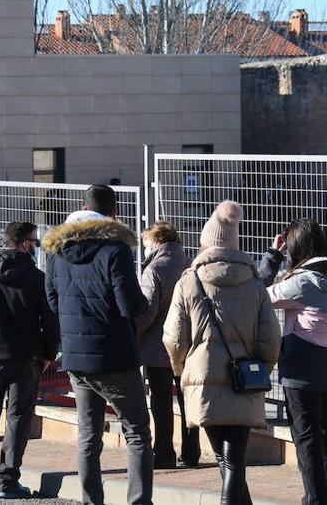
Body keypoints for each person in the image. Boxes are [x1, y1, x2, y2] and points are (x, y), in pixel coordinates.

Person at [164, 201, 281, 505]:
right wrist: (260, 368)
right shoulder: (255, 283)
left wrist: (182, 369)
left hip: (202, 376)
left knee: (223, 457)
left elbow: (174, 338)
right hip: (244, 377)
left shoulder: (189, 281)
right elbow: (271, 339)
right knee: (234, 459)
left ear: (205, 243)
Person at [43, 184, 152, 505]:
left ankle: (92, 501)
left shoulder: (57, 251)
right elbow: (129, 305)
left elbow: (52, 301)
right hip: (116, 355)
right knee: (136, 433)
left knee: (88, 436)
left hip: (76, 358)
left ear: (82, 206)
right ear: (114, 211)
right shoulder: (115, 250)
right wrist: (144, 304)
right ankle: (139, 502)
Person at [259, 218, 327, 505]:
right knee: (325, 424)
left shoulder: (303, 283)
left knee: (305, 432)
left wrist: (273, 256)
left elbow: (257, 295)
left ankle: (316, 497)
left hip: (302, 365)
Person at [0, 220, 60, 500]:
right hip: (25, 359)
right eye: (35, 242)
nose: (37, 247)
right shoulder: (36, 278)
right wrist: (47, 355)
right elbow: (50, 322)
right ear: (25, 244)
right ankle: (8, 480)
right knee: (18, 419)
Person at [135, 221, 200, 470]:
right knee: (188, 400)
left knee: (161, 402)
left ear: (157, 242)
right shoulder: (191, 266)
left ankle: (163, 453)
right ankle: (191, 453)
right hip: (190, 345)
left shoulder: (154, 269)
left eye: (146, 243)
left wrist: (133, 331)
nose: (145, 249)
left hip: (158, 346)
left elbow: (147, 310)